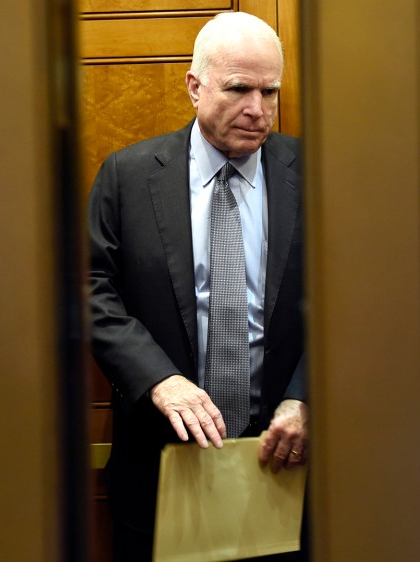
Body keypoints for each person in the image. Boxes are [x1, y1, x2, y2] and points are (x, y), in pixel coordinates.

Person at [87, 11, 308, 560]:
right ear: (195, 86)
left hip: (287, 464)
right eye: (238, 89)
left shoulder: (316, 172)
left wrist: (307, 397)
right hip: (162, 462)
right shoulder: (127, 176)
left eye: (270, 91)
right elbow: (94, 293)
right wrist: (158, 379)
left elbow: (357, 297)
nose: (257, 110)